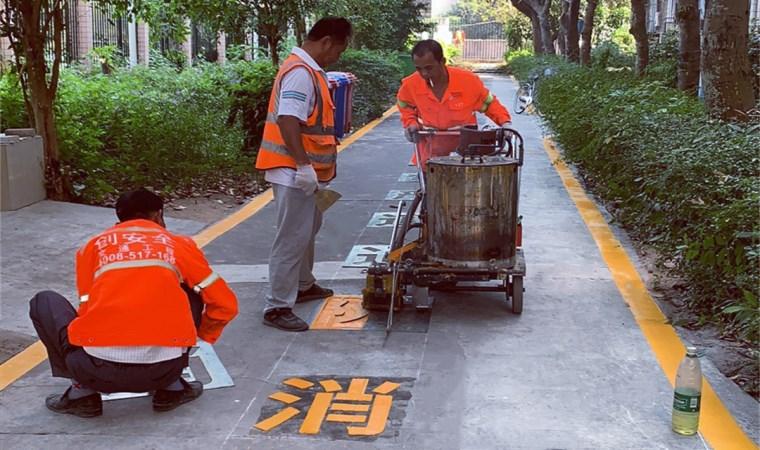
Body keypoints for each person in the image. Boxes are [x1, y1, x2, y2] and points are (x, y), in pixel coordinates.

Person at [29, 188, 238, 417]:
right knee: (193, 290)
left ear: (119, 216)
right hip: (165, 370)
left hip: (94, 370)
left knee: (44, 301)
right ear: (158, 215)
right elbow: (225, 304)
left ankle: (82, 393)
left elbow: (87, 308)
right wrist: (198, 335)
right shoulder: (178, 244)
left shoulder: (91, 247)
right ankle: (173, 388)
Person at [255, 17, 353, 332]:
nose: (337, 57)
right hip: (293, 171)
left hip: (302, 171)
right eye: (338, 50)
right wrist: (302, 165)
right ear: (326, 42)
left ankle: (303, 283)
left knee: (308, 228)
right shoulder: (300, 74)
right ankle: (277, 306)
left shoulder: (309, 71)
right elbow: (288, 120)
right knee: (292, 237)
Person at [397, 39, 512, 168]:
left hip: (466, 151)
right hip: (430, 151)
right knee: (430, 186)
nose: (424, 74)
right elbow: (404, 105)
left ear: (442, 62)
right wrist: (410, 123)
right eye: (419, 69)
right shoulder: (411, 85)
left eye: (429, 68)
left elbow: (489, 104)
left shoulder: (467, 81)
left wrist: (505, 122)